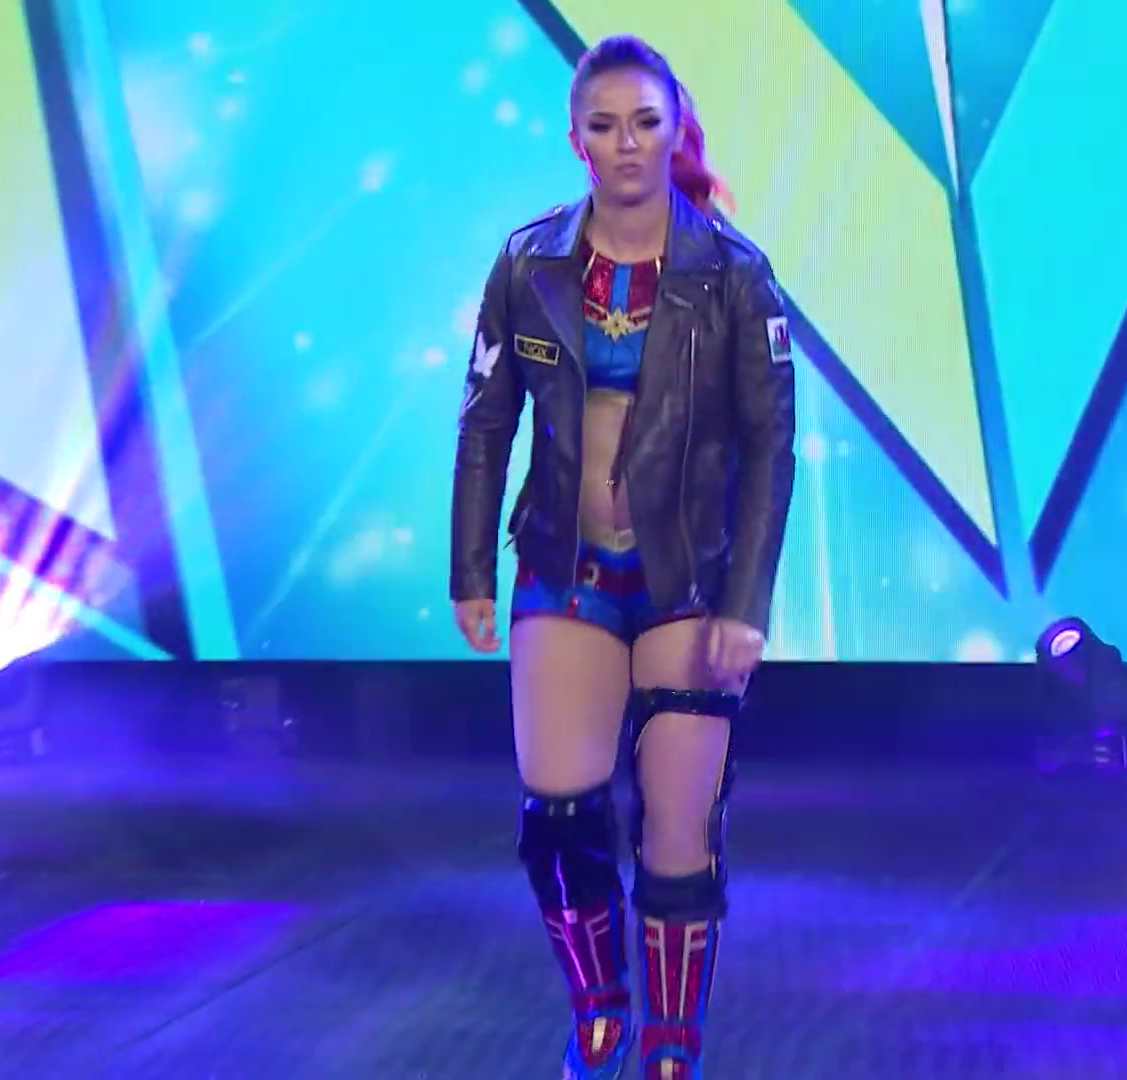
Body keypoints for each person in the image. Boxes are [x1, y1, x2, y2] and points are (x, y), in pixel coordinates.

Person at [449, 34, 795, 1080]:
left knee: (680, 834)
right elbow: (485, 421)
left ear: (674, 128)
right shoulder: (529, 264)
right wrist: (471, 570)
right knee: (558, 815)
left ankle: (673, 1039)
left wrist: (747, 603)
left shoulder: (734, 274)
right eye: (604, 125)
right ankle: (598, 1005)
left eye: (646, 122)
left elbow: (772, 446)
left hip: (689, 584)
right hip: (565, 572)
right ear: (576, 140)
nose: (628, 143)